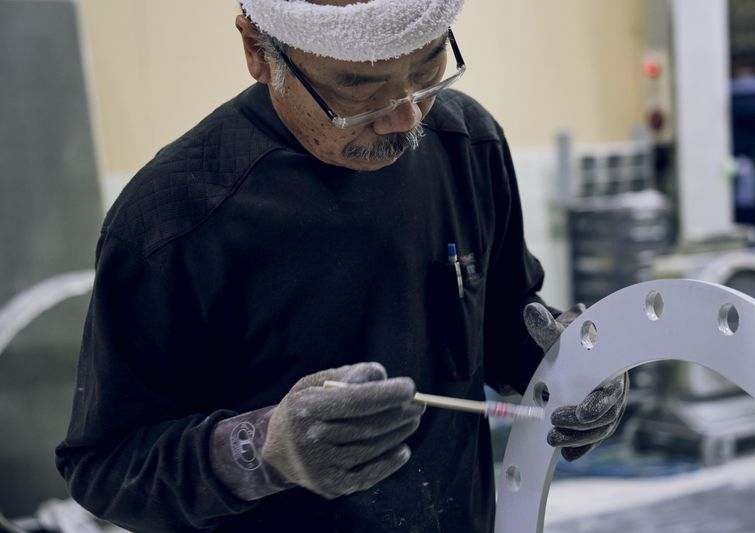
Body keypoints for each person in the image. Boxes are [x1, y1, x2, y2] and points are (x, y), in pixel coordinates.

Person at [56, 0, 627, 531]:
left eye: (427, 68)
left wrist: (570, 371)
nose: (405, 117)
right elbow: (104, 466)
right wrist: (262, 451)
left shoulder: (465, 143)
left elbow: (503, 320)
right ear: (258, 51)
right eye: (359, 88)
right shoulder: (175, 217)